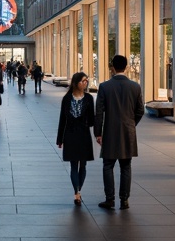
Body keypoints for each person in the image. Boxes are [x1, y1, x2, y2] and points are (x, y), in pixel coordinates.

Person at [94, 54, 145, 209]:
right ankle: (124, 200)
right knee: (126, 166)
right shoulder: (135, 87)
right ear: (126, 67)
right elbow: (140, 110)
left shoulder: (104, 86)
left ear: (112, 67)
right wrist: (131, 124)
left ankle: (110, 199)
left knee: (108, 165)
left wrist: (98, 132)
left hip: (110, 130)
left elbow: (99, 112)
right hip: (128, 131)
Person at [56, 71, 95, 205]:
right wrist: (59, 139)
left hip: (84, 134)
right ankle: (76, 192)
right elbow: (62, 119)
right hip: (70, 134)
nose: (85, 83)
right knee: (73, 164)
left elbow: (92, 120)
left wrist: (97, 131)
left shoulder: (89, 98)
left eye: (86, 81)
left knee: (83, 164)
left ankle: (78, 190)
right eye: (83, 81)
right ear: (75, 83)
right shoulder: (67, 99)